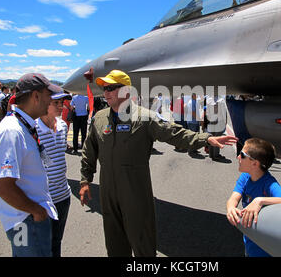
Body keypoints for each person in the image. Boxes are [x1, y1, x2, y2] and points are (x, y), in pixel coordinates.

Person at [79, 69, 238, 257]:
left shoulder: (145, 117)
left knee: (143, 243)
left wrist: (206, 139)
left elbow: (174, 133)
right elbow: (89, 150)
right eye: (104, 88)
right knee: (114, 243)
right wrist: (84, 180)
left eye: (111, 88)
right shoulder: (99, 118)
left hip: (135, 192)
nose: (106, 92)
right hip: (108, 192)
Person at [0, 73, 62, 257]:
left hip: (29, 219)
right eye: (48, 95)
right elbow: (4, 186)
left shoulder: (24, 126)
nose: (50, 101)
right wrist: (35, 211)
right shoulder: (12, 131)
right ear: (35, 96)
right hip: (26, 221)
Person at [226, 138, 281, 257]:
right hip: (250, 242)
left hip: (265, 248)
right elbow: (233, 198)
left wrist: (259, 200)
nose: (238, 157)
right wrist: (231, 208)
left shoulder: (269, 184)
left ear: (255, 163)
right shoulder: (245, 177)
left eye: (242, 155)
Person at [36, 92, 72, 257]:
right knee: (41, 245)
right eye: (56, 103)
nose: (61, 106)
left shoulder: (63, 125)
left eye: (62, 102)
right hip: (43, 199)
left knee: (56, 242)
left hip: (63, 196)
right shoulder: (34, 129)